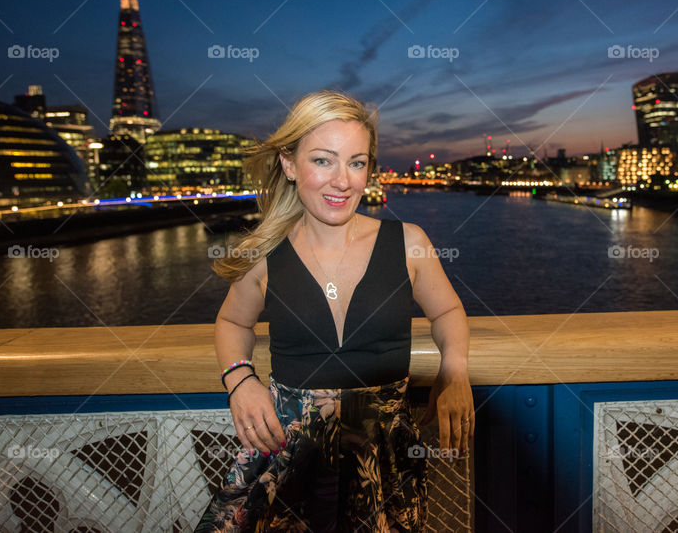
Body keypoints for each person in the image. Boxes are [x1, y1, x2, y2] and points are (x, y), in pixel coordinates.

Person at [194, 90, 473, 532]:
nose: (343, 180)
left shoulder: (409, 242)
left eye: (357, 162)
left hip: (383, 468)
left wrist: (454, 372)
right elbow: (232, 322)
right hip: (287, 464)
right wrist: (239, 380)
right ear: (289, 164)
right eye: (323, 160)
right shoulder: (266, 255)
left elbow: (447, 312)